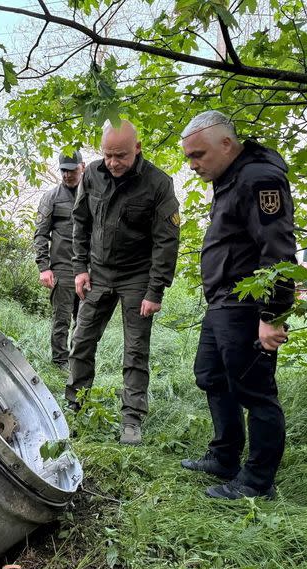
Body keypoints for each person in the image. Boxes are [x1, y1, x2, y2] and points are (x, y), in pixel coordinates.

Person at [179, 110, 296, 500]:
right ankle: (225, 456)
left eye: (198, 155)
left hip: (248, 306)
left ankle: (258, 482)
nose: (193, 165)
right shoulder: (229, 177)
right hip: (223, 302)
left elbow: (277, 250)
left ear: (226, 144)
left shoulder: (259, 178)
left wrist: (272, 315)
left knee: (255, 390)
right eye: (189, 158)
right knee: (211, 375)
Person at [65, 120, 180, 445]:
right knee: (82, 340)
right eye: (108, 155)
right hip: (98, 274)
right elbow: (81, 221)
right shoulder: (92, 175)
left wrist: (154, 290)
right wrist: (80, 268)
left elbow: (166, 241)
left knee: (135, 350)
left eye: (121, 156)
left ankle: (131, 420)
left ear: (138, 148)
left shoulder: (158, 184)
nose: (114, 163)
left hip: (137, 278)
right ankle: (76, 408)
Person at [34, 150, 85, 369]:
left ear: (82, 167)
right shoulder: (51, 197)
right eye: (63, 170)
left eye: (71, 170)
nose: (67, 175)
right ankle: (60, 362)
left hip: (88, 269)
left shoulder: (93, 195)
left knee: (84, 321)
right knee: (61, 319)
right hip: (62, 269)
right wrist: (44, 267)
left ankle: (80, 361)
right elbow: (40, 234)